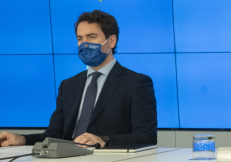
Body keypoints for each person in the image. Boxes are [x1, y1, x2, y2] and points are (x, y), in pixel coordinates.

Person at [0, 10, 157, 148]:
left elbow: (147, 136)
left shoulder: (136, 83)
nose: (84, 44)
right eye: (80, 38)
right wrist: (21, 139)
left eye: (92, 37)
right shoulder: (68, 85)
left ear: (111, 41)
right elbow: (54, 135)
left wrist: (104, 141)